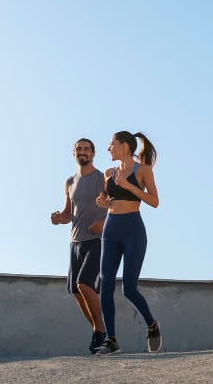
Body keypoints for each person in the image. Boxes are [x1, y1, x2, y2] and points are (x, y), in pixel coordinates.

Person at [93, 131, 162, 355]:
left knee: (129, 289)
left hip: (133, 230)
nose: (108, 149)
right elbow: (109, 200)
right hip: (111, 229)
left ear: (124, 146)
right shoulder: (108, 173)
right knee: (105, 284)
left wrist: (130, 186)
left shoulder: (142, 170)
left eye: (111, 144)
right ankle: (111, 340)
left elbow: (154, 201)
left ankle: (152, 325)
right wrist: (104, 203)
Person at [51, 138, 108, 354]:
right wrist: (59, 218)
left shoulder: (102, 178)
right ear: (74, 153)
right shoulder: (69, 182)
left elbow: (115, 205)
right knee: (76, 290)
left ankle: (101, 331)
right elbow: (68, 213)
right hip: (75, 242)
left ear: (93, 154)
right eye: (79, 149)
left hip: (98, 241)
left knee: (85, 284)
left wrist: (104, 223)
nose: (82, 152)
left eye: (86, 149)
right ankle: (98, 331)